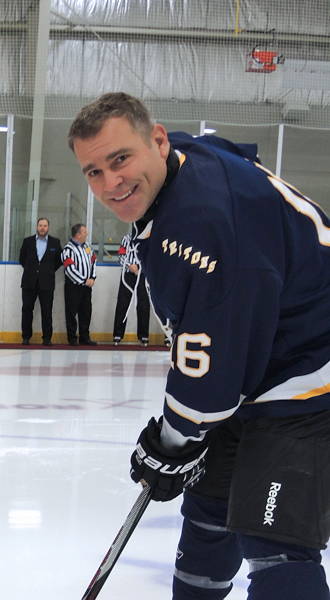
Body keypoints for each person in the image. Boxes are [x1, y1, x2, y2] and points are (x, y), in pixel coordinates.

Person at [69, 91, 330, 600]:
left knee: (273, 541)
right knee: (208, 515)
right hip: (260, 354)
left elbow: (207, 389)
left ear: (158, 141)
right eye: (93, 171)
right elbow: (231, 150)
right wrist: (182, 438)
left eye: (120, 159)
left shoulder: (201, 231)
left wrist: (171, 442)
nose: (110, 183)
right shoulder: (184, 158)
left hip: (310, 367)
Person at [18, 217, 61, 346]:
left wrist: (46, 271)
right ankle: (26, 337)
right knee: (27, 310)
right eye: (40, 225)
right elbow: (22, 259)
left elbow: (59, 261)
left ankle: (47, 338)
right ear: (37, 227)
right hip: (29, 282)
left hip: (46, 283)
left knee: (46, 311)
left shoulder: (55, 243)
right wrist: (33, 270)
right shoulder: (27, 242)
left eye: (45, 226)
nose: (42, 228)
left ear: (48, 228)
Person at [112, 229, 150, 346]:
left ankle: (143, 335)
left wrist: (141, 268)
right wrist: (129, 265)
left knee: (143, 304)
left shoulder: (149, 239)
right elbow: (121, 255)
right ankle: (118, 334)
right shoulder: (126, 238)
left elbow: (152, 257)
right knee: (123, 302)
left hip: (143, 274)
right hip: (128, 273)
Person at [61, 223, 97, 346]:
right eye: (84, 232)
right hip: (73, 287)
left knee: (86, 312)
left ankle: (84, 336)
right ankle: (72, 337)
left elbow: (93, 261)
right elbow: (69, 269)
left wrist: (92, 277)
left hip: (86, 287)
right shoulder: (68, 249)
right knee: (71, 312)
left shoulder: (87, 247)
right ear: (78, 234)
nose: (87, 234)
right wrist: (83, 280)